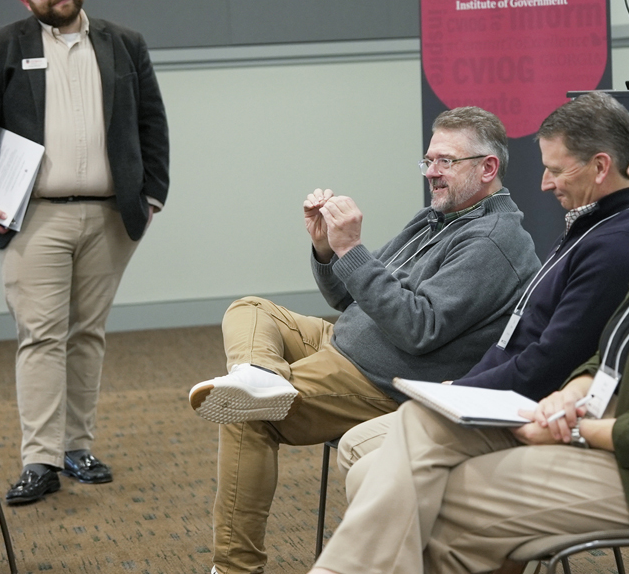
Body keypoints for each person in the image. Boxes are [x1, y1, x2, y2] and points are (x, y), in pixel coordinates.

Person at [307, 88, 629, 574]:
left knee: (432, 496)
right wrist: (580, 389)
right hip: (602, 434)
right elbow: (611, 354)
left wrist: (579, 425)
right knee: (422, 447)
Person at [187, 106, 539, 574]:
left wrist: (353, 250)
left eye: (445, 162)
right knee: (249, 309)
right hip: (345, 341)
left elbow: (418, 328)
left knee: (245, 413)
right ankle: (262, 375)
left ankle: (234, 569)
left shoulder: (493, 241)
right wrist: (326, 248)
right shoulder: (439, 217)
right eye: (428, 160)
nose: (432, 172)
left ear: (487, 168)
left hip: (381, 379)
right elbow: (347, 297)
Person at [336, 91, 629, 474]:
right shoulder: (588, 224)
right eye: (430, 160)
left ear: (601, 167)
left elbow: (550, 359)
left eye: (556, 170)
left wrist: (461, 392)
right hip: (489, 392)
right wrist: (331, 252)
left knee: (365, 459)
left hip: (519, 407)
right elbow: (525, 343)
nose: (543, 184)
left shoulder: (613, 243)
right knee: (257, 318)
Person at [0, 0, 170, 505]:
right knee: (42, 335)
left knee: (87, 334)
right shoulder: (0, 48)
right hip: (35, 217)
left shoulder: (124, 44)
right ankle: (40, 459)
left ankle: (78, 447)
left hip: (109, 215)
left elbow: (151, 122)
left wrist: (153, 195)